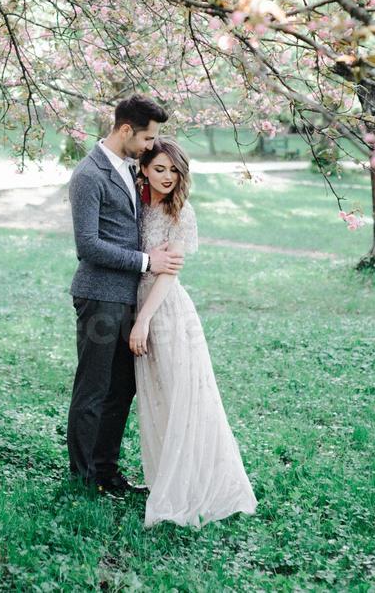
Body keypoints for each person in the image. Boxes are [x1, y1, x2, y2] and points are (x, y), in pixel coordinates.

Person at [130, 138, 258, 528]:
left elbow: (168, 275)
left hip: (165, 311)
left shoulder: (180, 213)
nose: (168, 177)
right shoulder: (135, 205)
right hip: (138, 304)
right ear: (145, 169)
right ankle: (163, 477)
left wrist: (143, 320)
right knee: (157, 398)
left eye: (174, 170)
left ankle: (193, 485)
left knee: (184, 397)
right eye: (159, 169)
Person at [66, 95, 185, 496]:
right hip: (99, 297)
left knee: (122, 388)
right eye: (148, 137)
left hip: (128, 298)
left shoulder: (131, 169)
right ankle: (82, 478)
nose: (152, 146)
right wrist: (145, 262)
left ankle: (106, 471)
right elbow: (88, 246)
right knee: (93, 388)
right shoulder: (88, 175)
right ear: (124, 130)